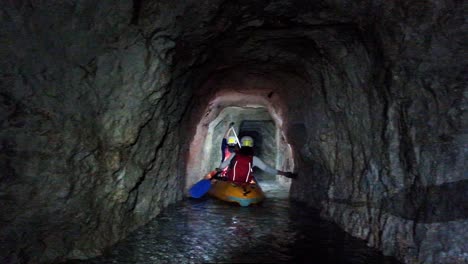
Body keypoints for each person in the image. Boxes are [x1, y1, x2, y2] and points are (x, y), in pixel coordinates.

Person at [218, 136, 296, 184]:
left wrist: (219, 170)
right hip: (245, 183)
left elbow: (222, 166)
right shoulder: (254, 159)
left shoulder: (234, 155)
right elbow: (267, 169)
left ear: (241, 144)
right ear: (252, 145)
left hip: (231, 181)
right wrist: (284, 173)